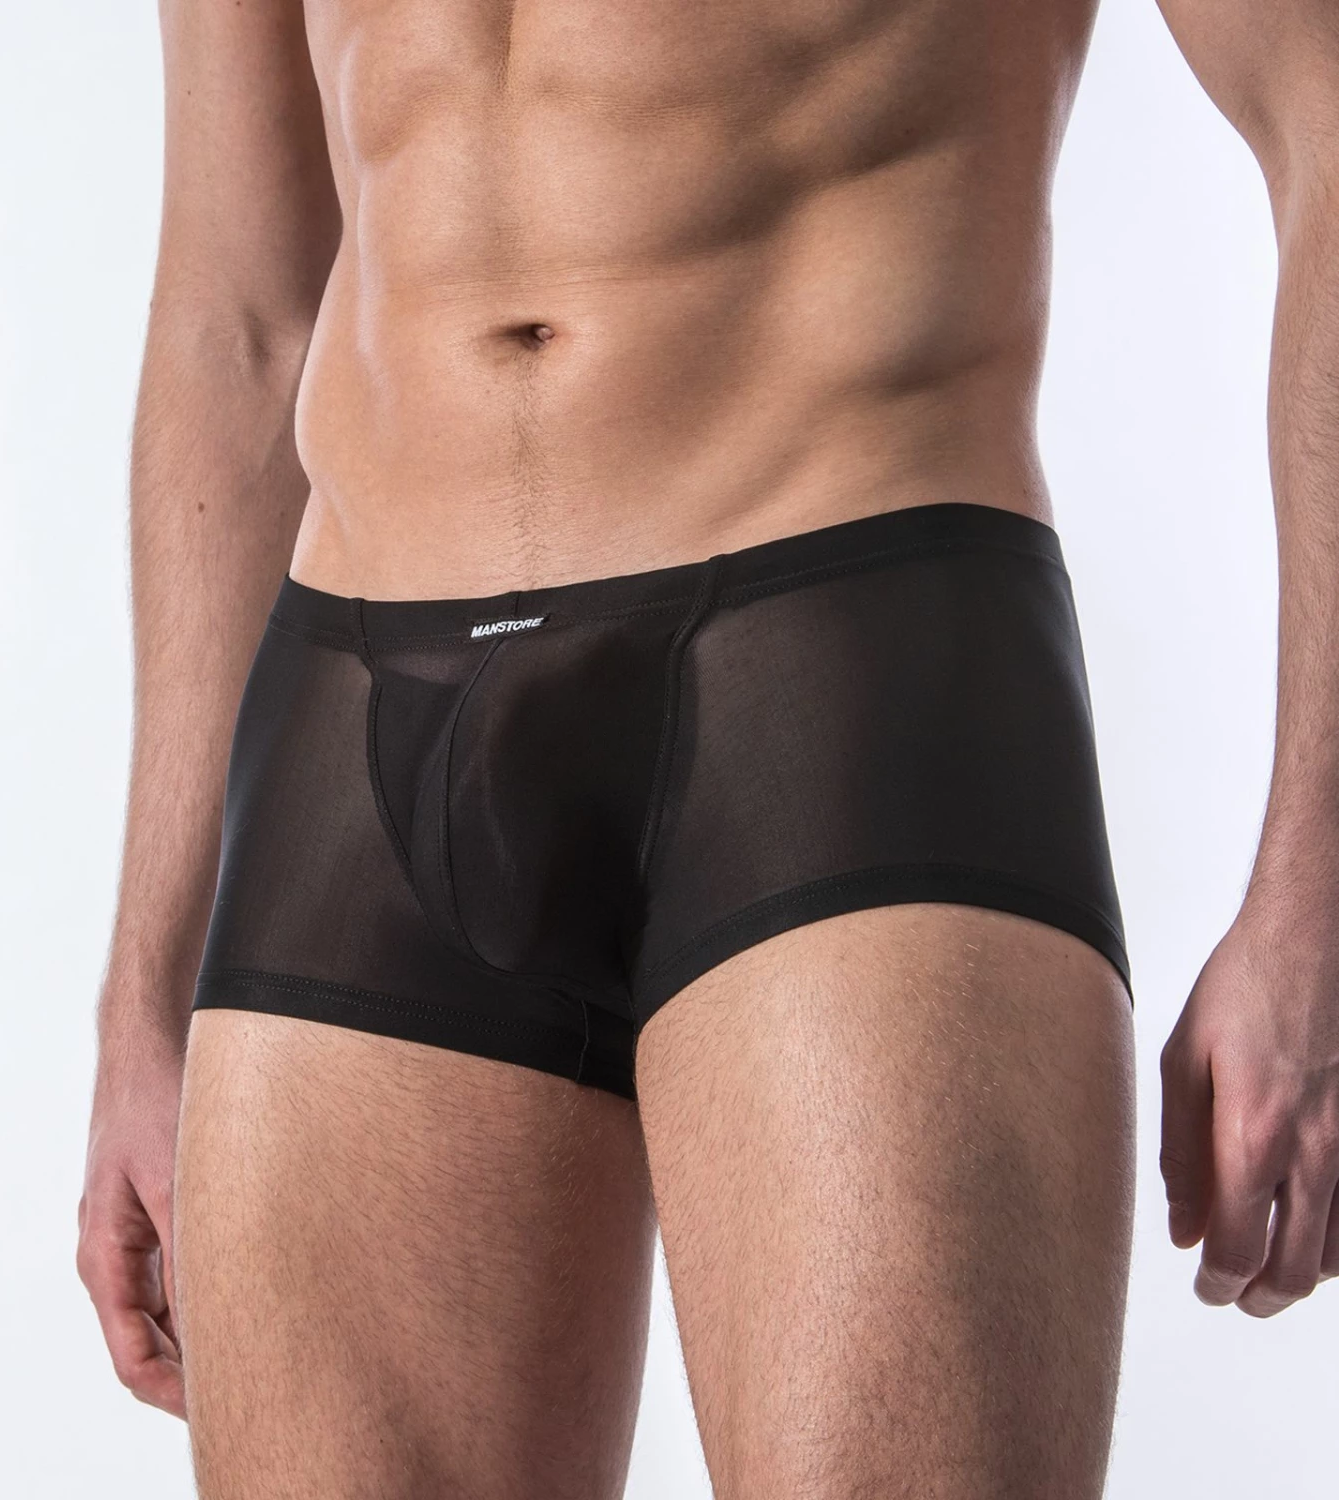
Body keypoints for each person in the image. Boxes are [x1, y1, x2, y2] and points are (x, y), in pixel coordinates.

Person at [75, 0, 1339, 1494]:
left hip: (833, 658)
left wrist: (1314, 895)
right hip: (357, 708)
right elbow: (239, 313)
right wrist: (143, 993)